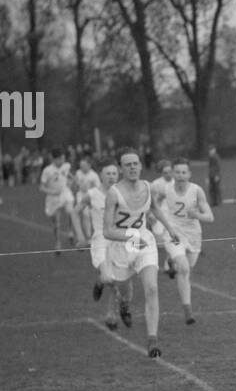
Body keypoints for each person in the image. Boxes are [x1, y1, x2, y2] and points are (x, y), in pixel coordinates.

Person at [102, 150, 186, 358]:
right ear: (121, 169)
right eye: (127, 164)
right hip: (122, 246)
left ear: (140, 166)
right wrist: (130, 238)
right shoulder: (114, 193)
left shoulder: (147, 187)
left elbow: (156, 210)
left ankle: (152, 340)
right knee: (124, 289)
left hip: (144, 241)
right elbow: (107, 231)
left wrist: (170, 228)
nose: (132, 167)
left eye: (135, 164)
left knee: (152, 288)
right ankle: (123, 303)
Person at [76, 162, 132, 328]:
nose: (111, 176)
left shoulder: (123, 192)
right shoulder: (92, 194)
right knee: (108, 278)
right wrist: (80, 235)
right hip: (100, 240)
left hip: (119, 240)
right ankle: (101, 282)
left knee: (120, 280)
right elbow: (74, 211)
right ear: (100, 175)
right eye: (108, 173)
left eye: (114, 173)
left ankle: (112, 314)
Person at [159, 159, 215, 325]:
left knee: (187, 268)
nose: (180, 175)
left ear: (189, 174)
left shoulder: (197, 191)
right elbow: (155, 200)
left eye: (184, 172)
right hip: (173, 232)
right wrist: (151, 213)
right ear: (172, 174)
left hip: (193, 235)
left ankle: (171, 261)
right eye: (177, 172)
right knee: (183, 269)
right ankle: (188, 310)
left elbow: (210, 217)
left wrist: (196, 215)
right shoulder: (166, 188)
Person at [39, 148, 83, 253]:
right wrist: (51, 191)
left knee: (71, 212)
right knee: (57, 223)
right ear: (54, 159)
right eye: (60, 158)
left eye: (63, 158)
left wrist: (74, 179)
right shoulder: (47, 170)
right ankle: (57, 243)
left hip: (65, 193)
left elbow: (66, 174)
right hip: (53, 198)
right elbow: (41, 187)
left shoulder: (66, 165)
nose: (63, 160)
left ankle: (72, 232)